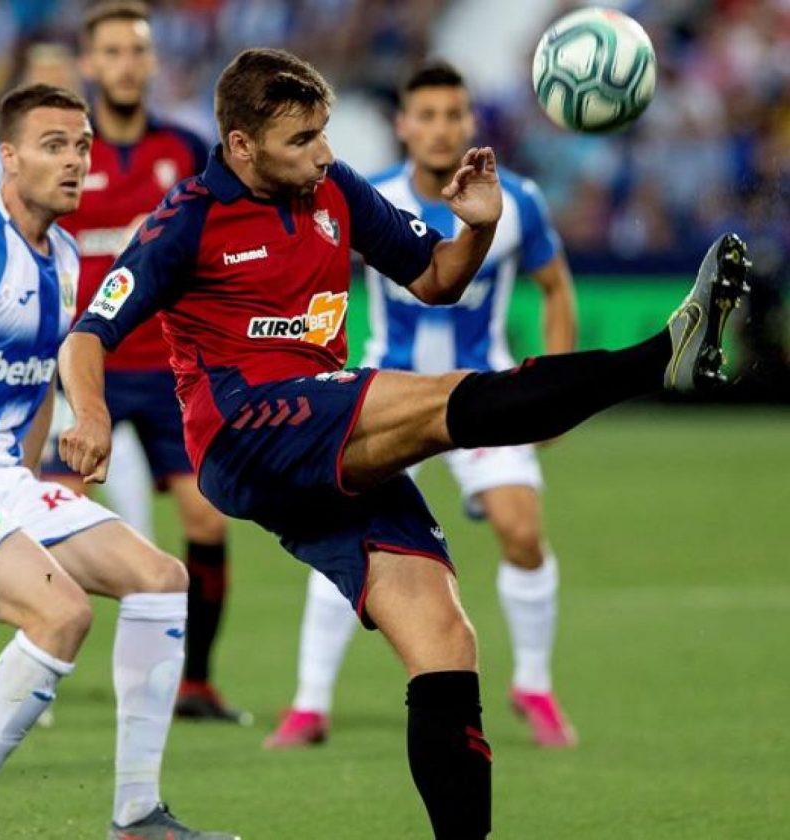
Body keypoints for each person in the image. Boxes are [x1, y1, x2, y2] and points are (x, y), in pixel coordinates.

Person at [58, 47, 749, 839]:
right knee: (437, 401)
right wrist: (91, 414)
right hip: (244, 432)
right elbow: (89, 333)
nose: (323, 153)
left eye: (323, 132)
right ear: (241, 145)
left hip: (321, 438)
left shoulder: (335, 189)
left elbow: (437, 278)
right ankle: (661, 360)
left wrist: (478, 228)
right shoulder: (187, 218)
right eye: (301, 140)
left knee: (445, 638)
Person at [0, 84, 237, 840]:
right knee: (63, 613)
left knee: (161, 579)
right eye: (53, 146)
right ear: (8, 158)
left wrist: (31, 479)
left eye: (81, 145)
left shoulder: (67, 255)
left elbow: (42, 381)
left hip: (4, 480)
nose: (75, 160)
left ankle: (137, 814)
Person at [265, 60, 579, 751]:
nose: (441, 129)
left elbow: (556, 287)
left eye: (453, 115)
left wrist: (553, 389)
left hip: (480, 392)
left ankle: (533, 686)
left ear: (470, 123)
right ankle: (310, 703)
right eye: (427, 116)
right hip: (389, 394)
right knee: (344, 536)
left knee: (521, 530)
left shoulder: (516, 200)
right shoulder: (366, 197)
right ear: (403, 125)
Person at [41, 0, 249, 723]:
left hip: (168, 372)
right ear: (89, 63)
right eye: (113, 51)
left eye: (138, 50)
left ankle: (197, 684)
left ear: (154, 60)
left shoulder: (186, 151)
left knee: (207, 520)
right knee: (50, 521)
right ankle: (38, 671)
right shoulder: (66, 150)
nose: (127, 64)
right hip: (84, 367)